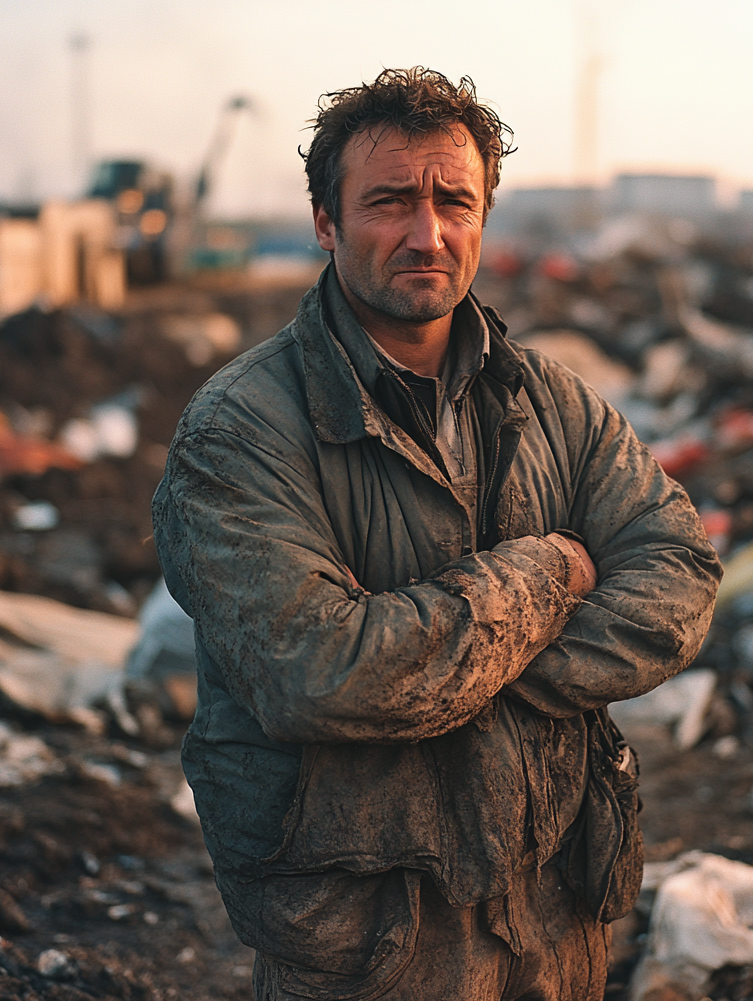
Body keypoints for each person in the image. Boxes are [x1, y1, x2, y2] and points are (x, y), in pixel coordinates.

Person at [153, 67, 721, 1001]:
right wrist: (546, 576)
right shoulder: (239, 432)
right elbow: (321, 673)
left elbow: (681, 575)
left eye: (454, 200)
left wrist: (465, 667)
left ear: (484, 217)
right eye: (388, 202)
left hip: (553, 928)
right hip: (374, 948)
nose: (428, 234)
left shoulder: (554, 403)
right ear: (326, 222)